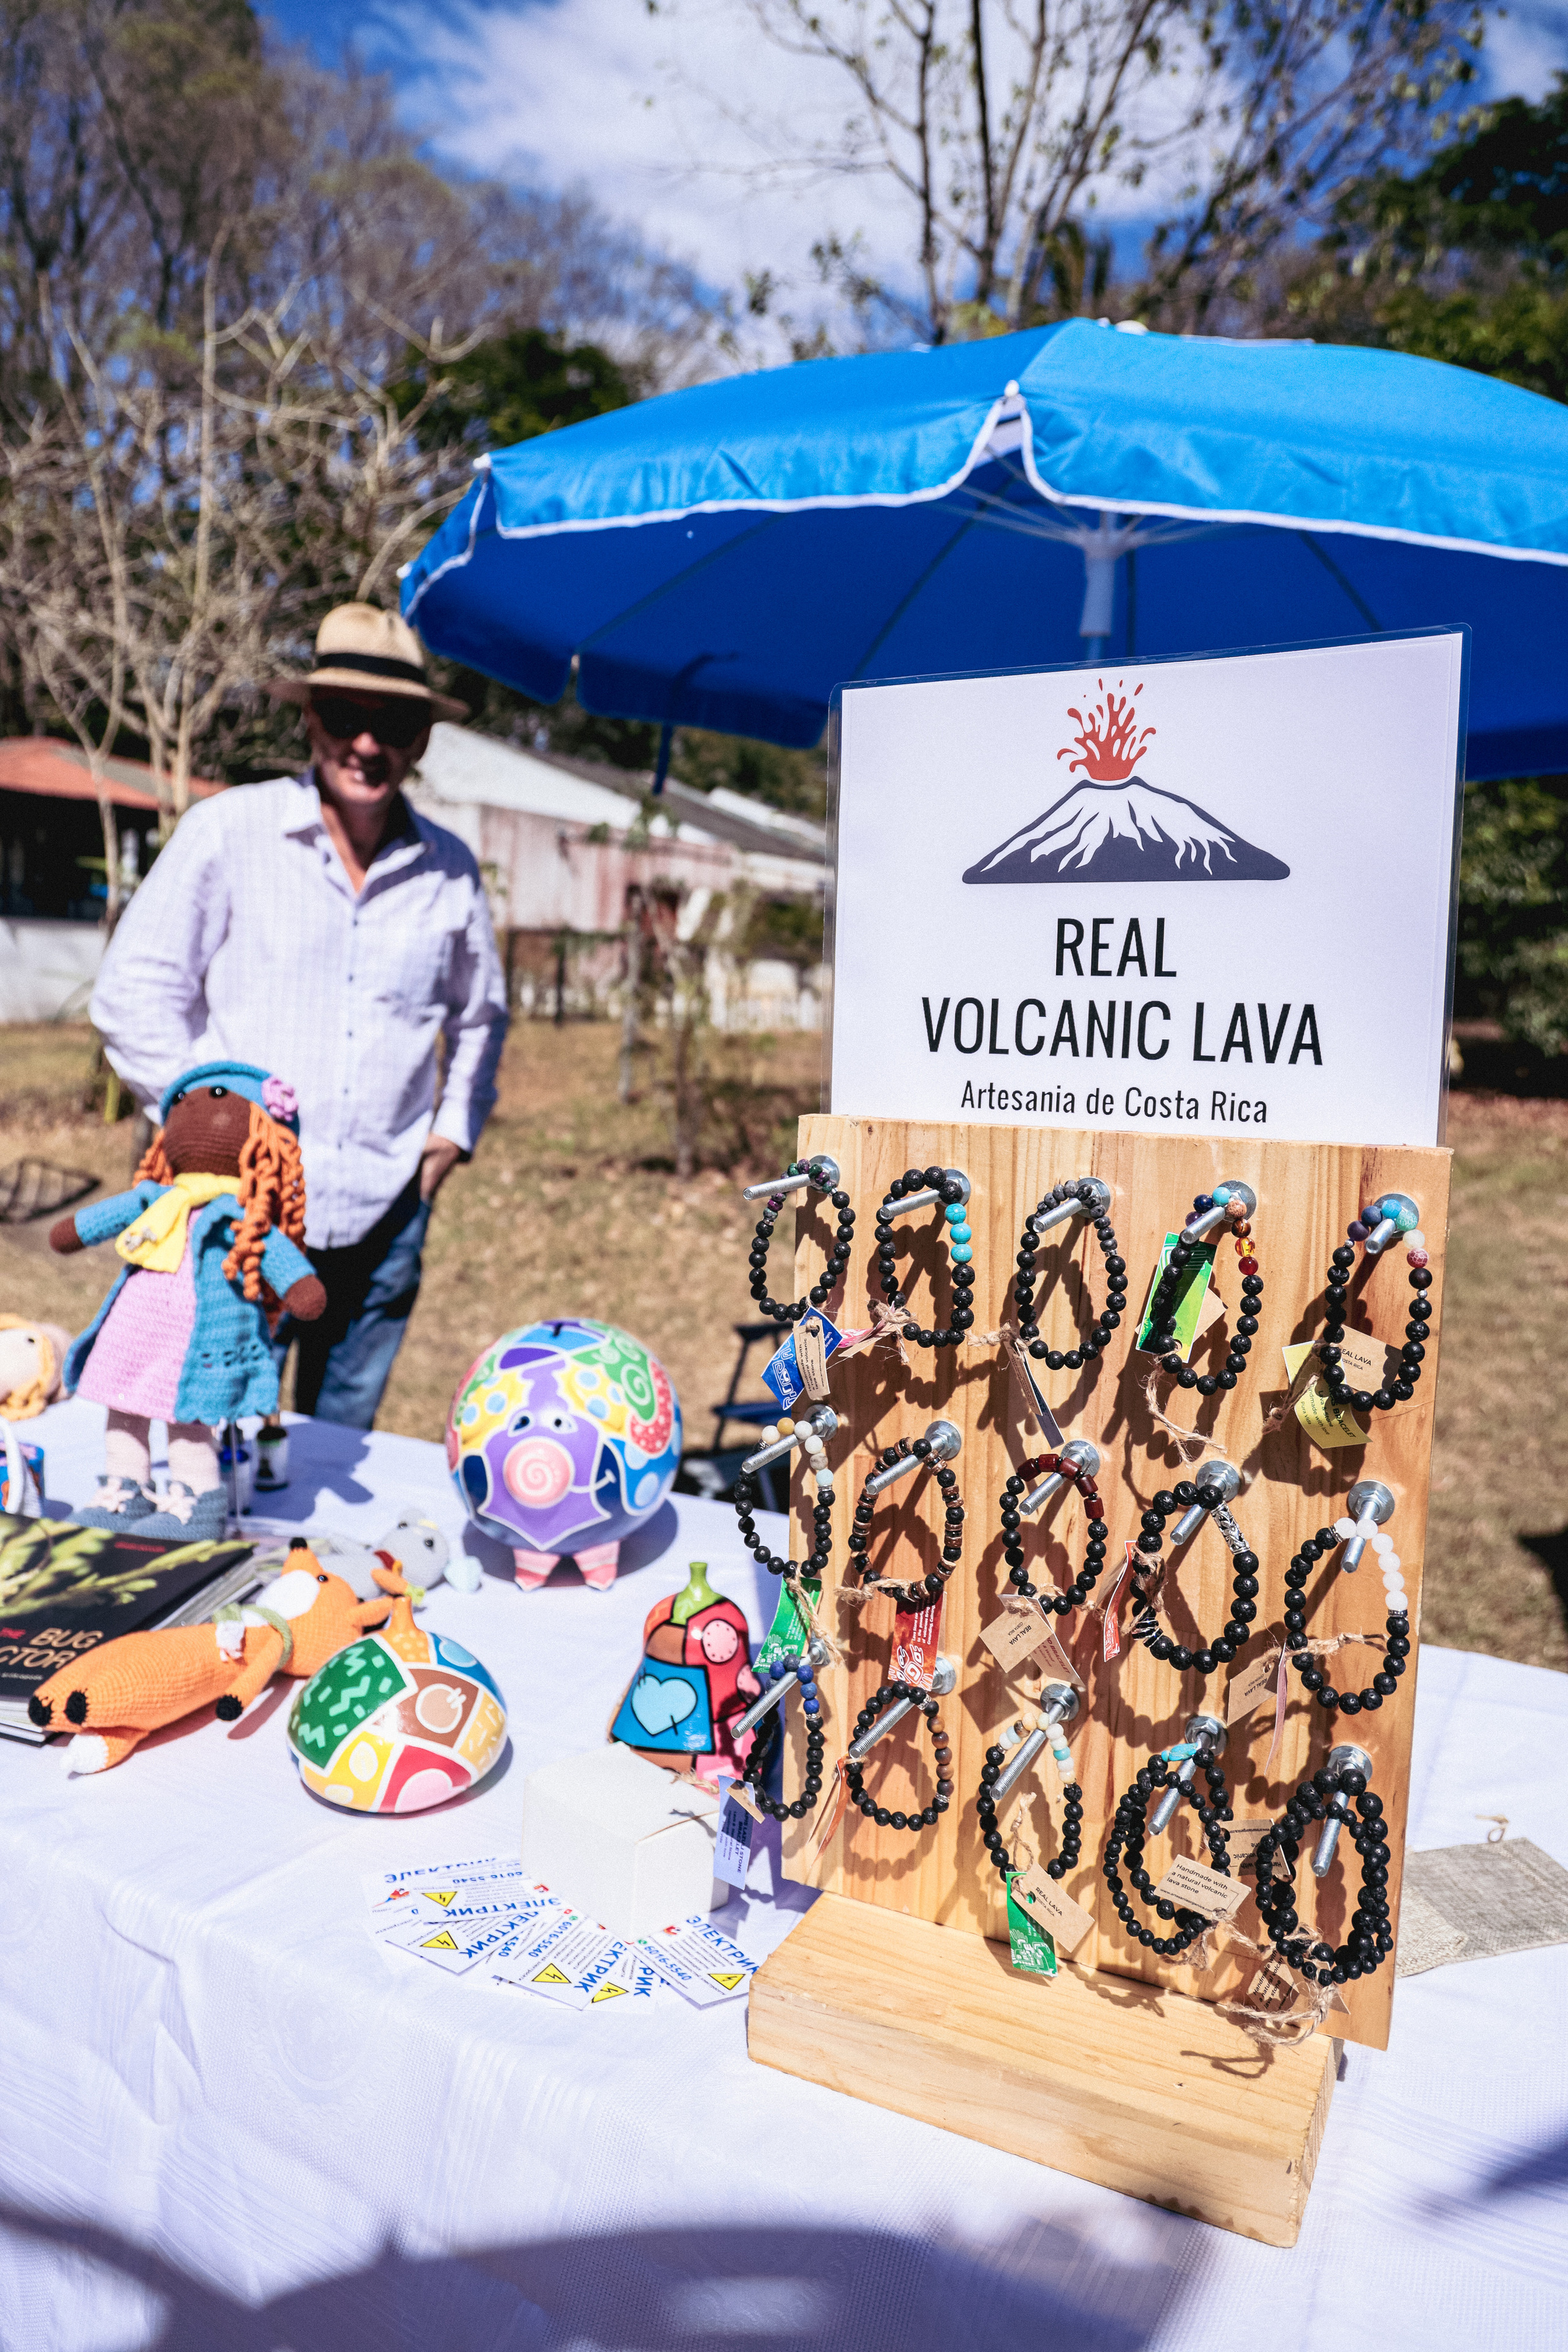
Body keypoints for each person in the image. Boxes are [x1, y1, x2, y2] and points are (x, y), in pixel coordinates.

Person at [91, 603, 509, 1448]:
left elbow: (482, 1017)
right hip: (239, 1217)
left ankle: (311, 1580)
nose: (367, 743)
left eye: (392, 722)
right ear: (311, 718)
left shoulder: (450, 873)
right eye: (346, 716)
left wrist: (448, 1140)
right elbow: (133, 992)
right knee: (211, 1441)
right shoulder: (230, 832)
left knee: (331, 1450)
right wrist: (212, 1131)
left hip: (387, 1213)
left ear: (421, 738)